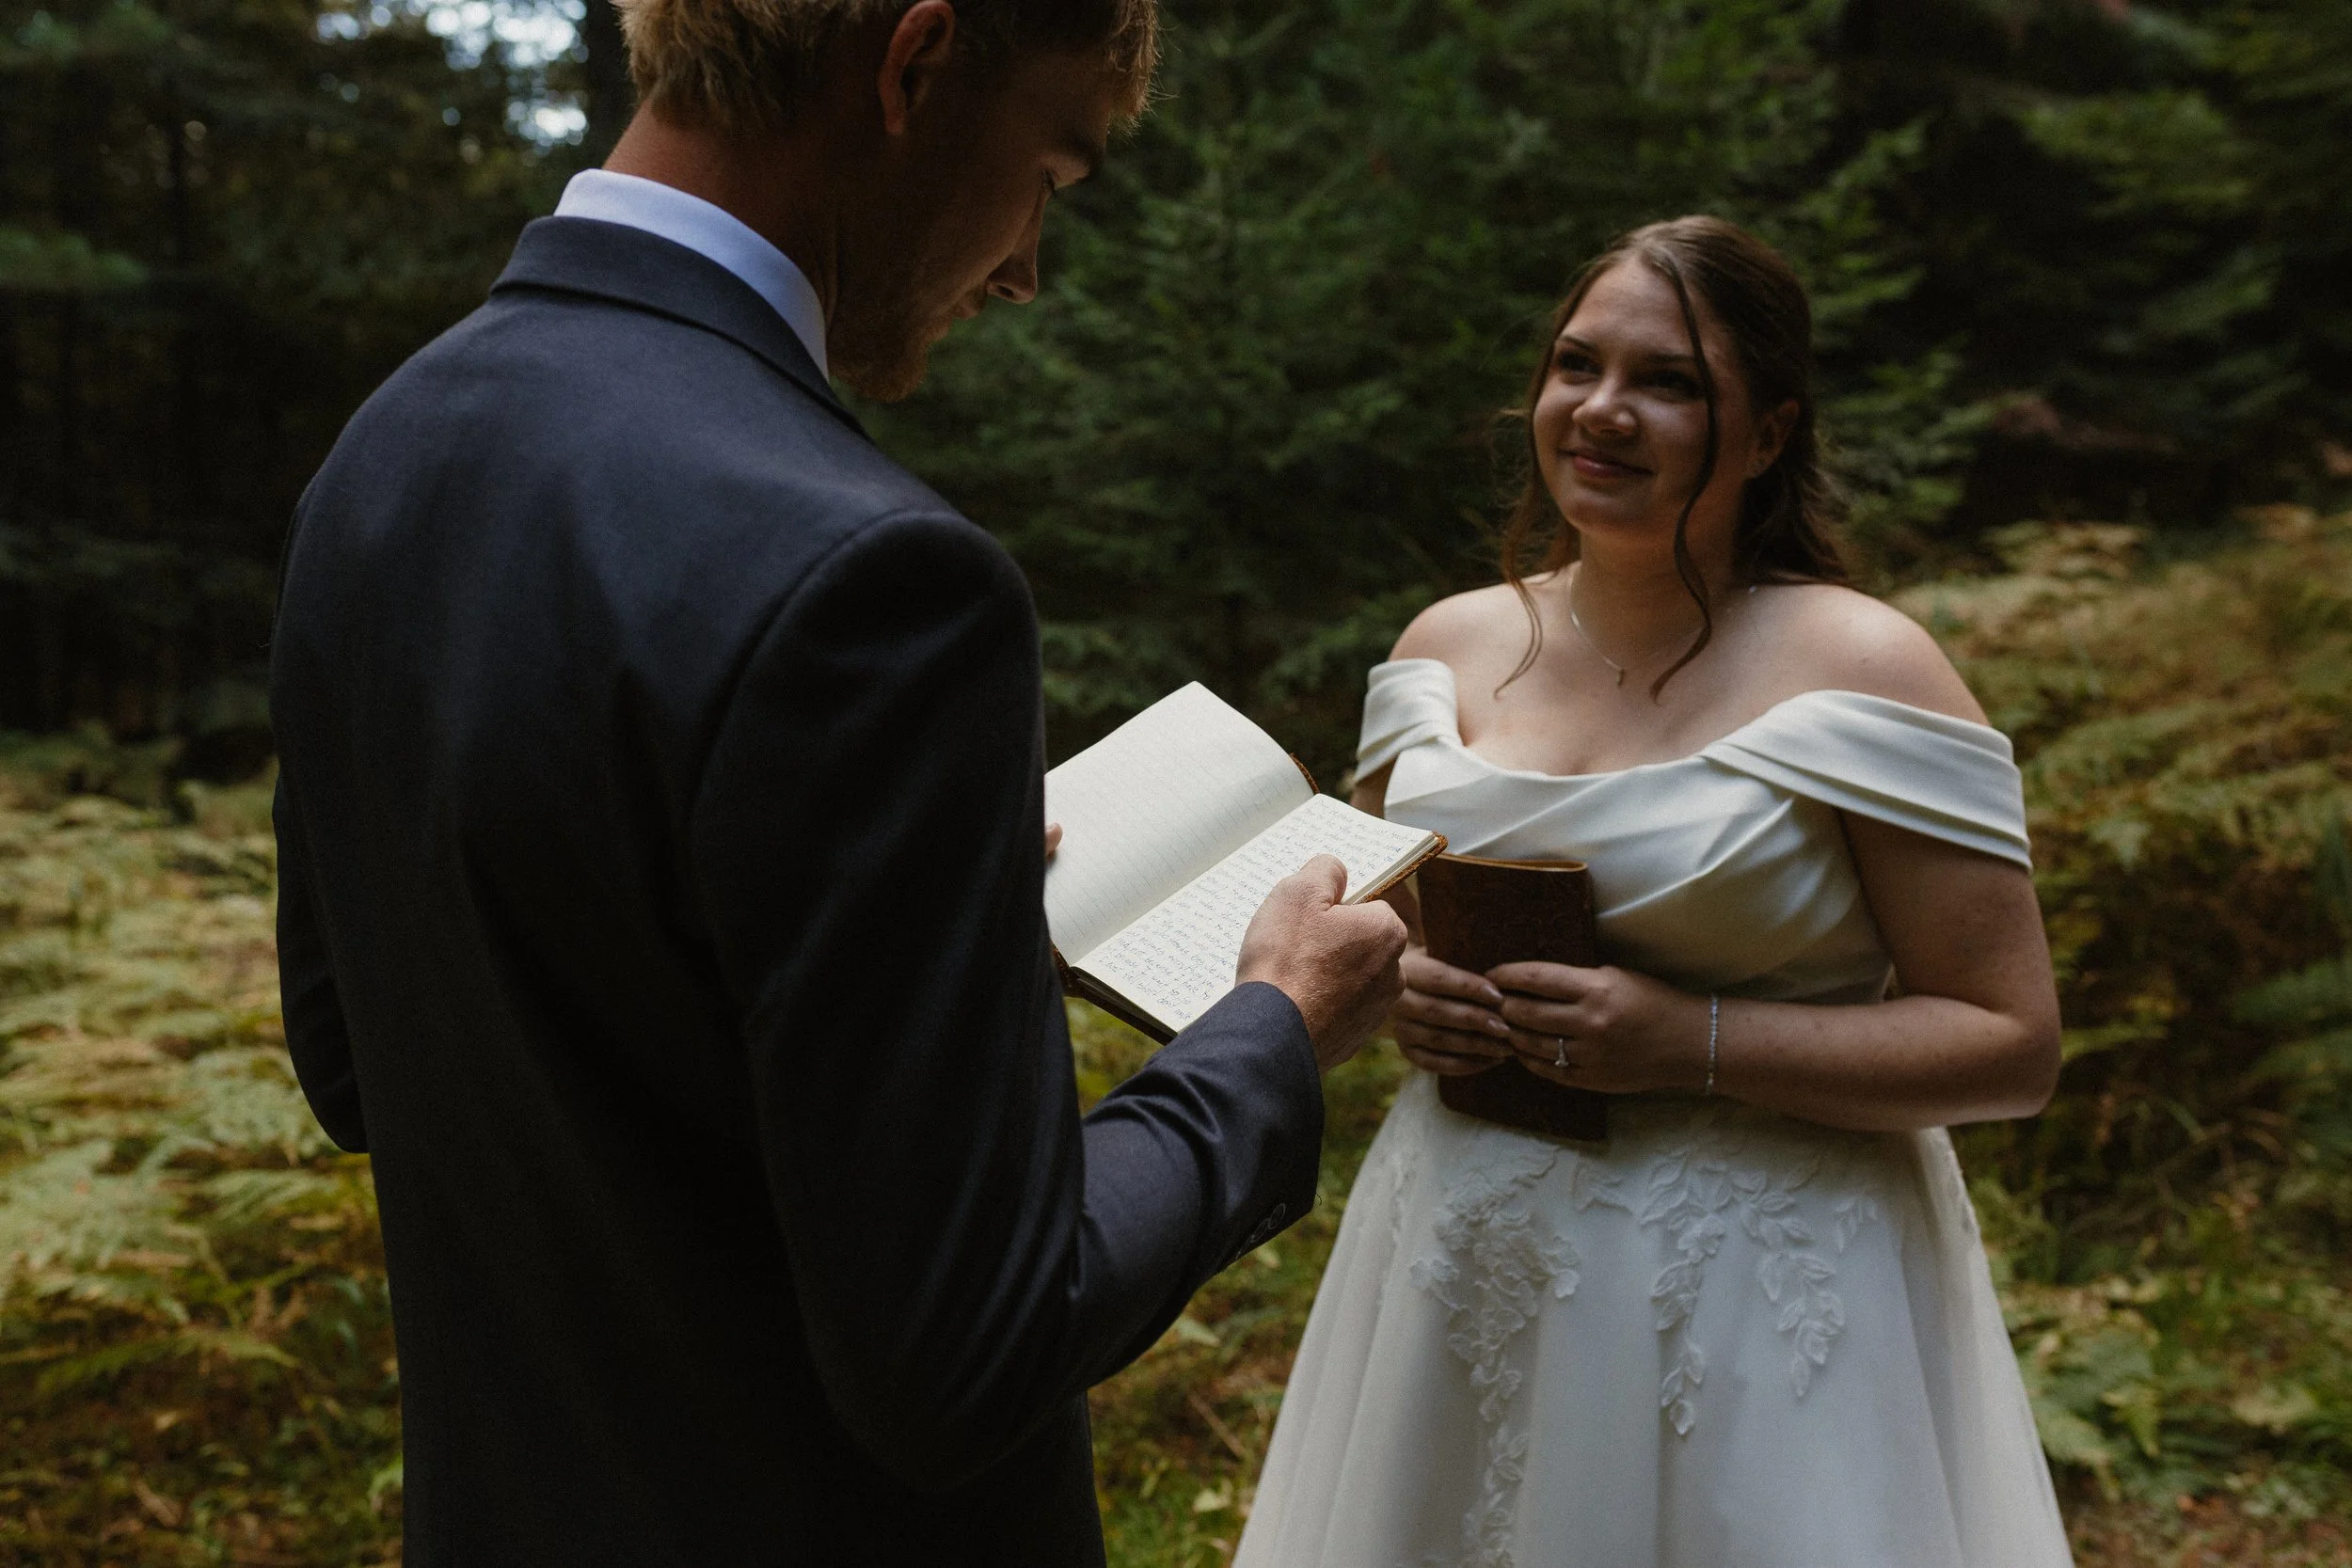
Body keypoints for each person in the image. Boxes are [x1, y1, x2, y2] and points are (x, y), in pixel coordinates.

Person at [267, 2, 1406, 1564]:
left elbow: (359, 1059)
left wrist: (884, 919)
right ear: (915, 66)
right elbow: (971, 1341)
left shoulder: (377, 465)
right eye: (1050, 178)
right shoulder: (878, 580)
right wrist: (1270, 1029)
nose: (1022, 266)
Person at [1234, 215, 2075, 1568]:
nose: (1603, 412)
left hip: (1758, 1298)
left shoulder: (1864, 666)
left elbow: (2011, 1043)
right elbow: (1381, 937)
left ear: (1767, 433)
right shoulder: (1443, 650)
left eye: (1668, 381)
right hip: (1465, 1255)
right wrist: (1408, 1000)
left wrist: (1694, 1040)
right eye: (1578, 365)